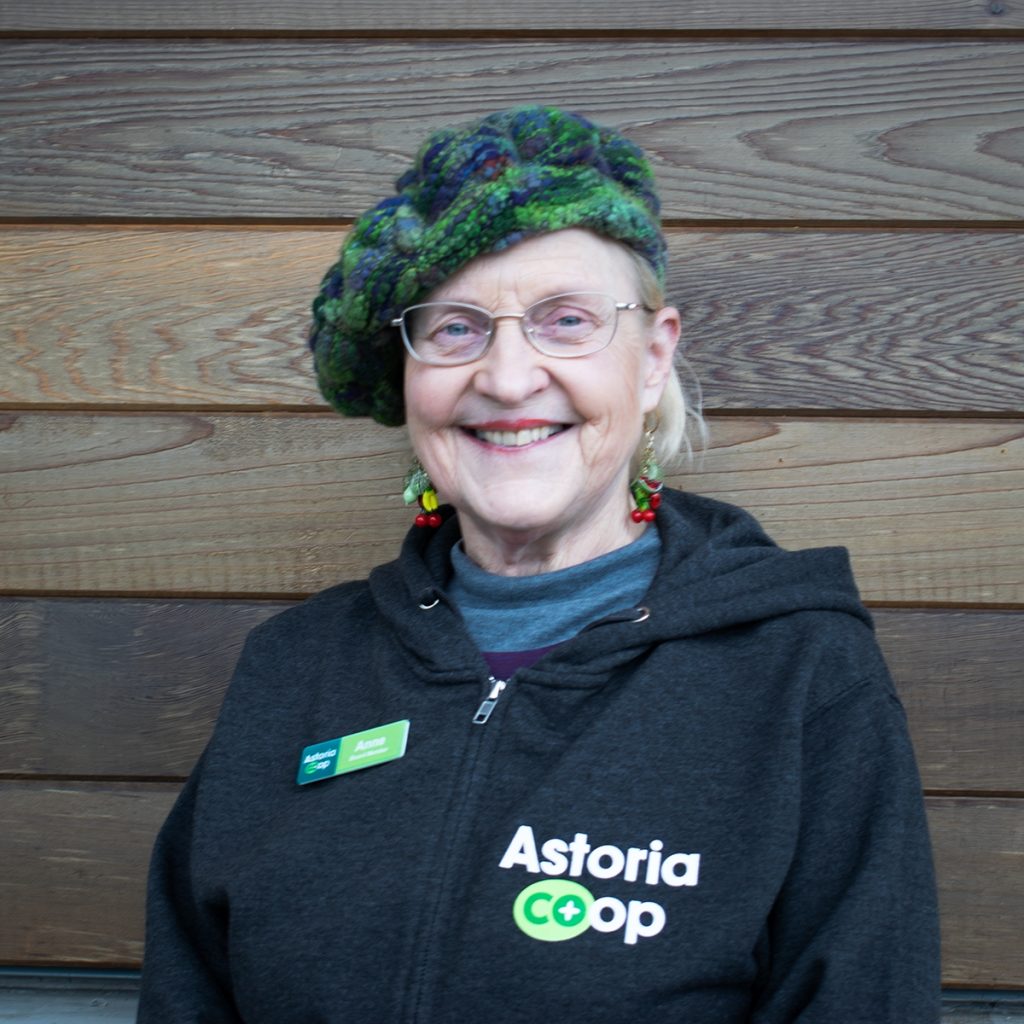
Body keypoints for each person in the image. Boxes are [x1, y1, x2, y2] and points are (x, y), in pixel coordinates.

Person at [137, 106, 940, 1022]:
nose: (509, 378)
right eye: (455, 328)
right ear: (408, 376)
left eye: (566, 321)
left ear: (653, 357)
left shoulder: (799, 676)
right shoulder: (295, 666)